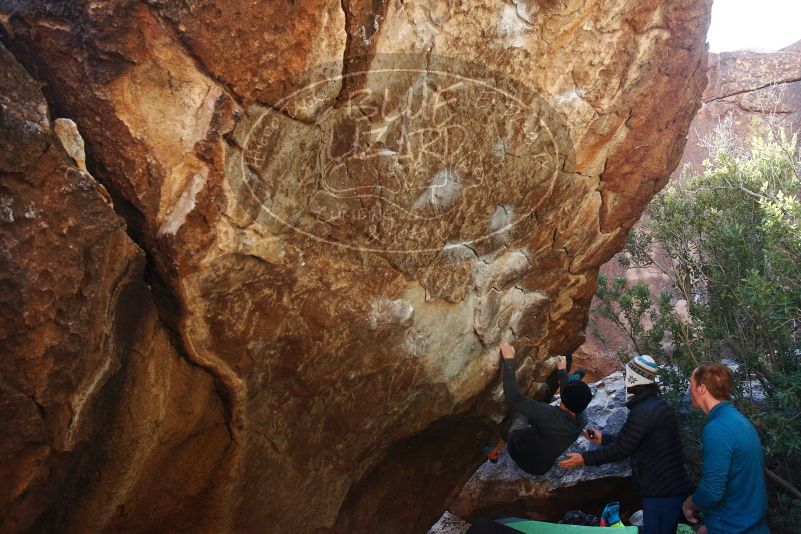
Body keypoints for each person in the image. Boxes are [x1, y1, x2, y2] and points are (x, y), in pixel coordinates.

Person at [559, 355, 694, 534]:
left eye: (626, 374)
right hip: (668, 489)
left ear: (634, 378)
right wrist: (602, 438)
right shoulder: (654, 405)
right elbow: (634, 442)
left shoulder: (643, 412)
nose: (624, 379)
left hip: (661, 492)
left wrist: (583, 459)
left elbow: (621, 450)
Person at [682, 363, 769, 534]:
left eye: (691, 385)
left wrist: (690, 503)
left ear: (702, 389)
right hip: (750, 525)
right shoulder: (737, 420)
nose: (689, 390)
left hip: (734, 528)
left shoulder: (718, 429)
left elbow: (712, 490)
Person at [499, 341, 592, 476]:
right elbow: (567, 396)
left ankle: (503, 432)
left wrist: (509, 360)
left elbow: (514, 398)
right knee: (537, 413)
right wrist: (562, 372)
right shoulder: (582, 420)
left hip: (517, 450)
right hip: (541, 468)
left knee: (522, 409)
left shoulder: (549, 415)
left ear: (563, 397)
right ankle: (573, 378)